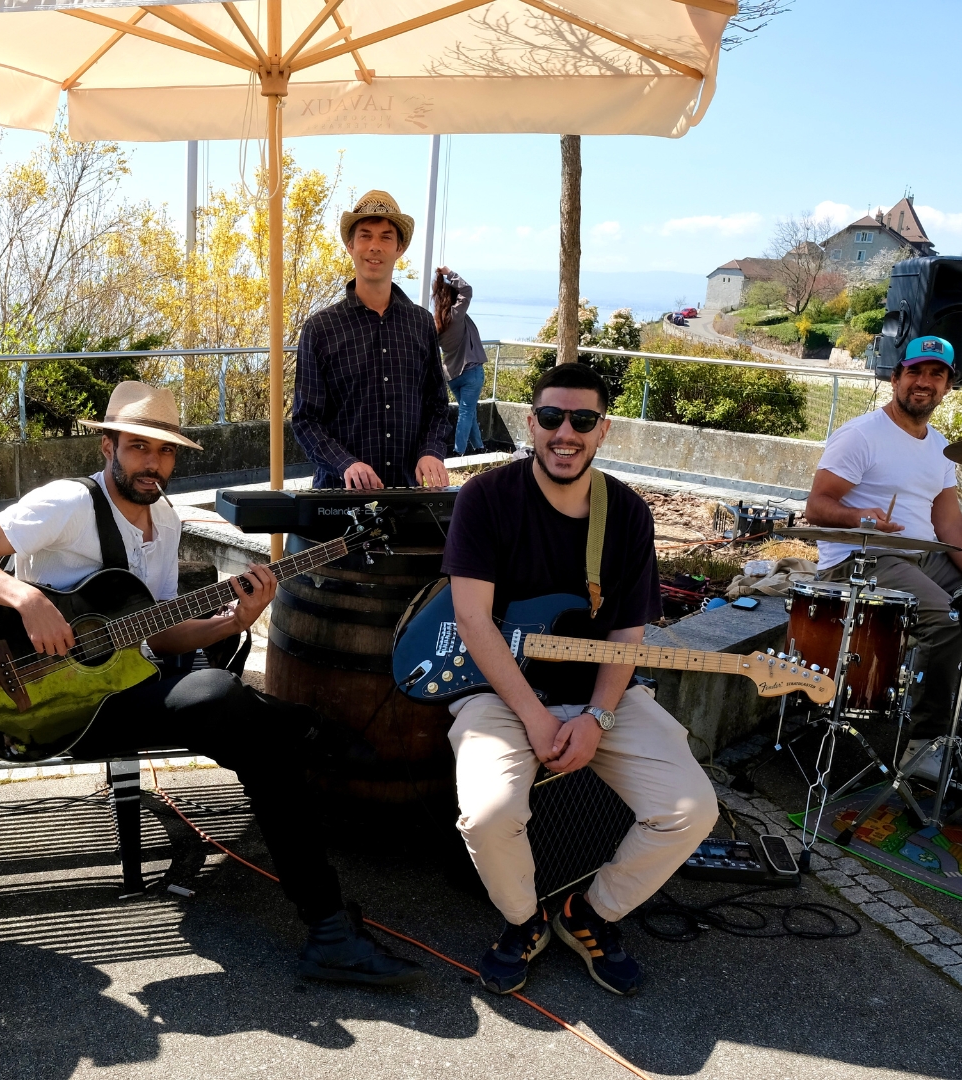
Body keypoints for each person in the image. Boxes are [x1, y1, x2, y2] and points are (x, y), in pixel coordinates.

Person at [0, 380, 422, 986]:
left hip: (120, 691)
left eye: (164, 452)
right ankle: (312, 760)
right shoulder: (67, 504)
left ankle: (329, 927)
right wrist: (24, 598)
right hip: (40, 706)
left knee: (247, 730)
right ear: (108, 447)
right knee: (229, 705)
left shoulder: (165, 519)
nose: (152, 464)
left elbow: (152, 634)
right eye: (137, 448)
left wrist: (236, 619)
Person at [441, 362, 715, 998]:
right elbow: (473, 622)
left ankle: (589, 915)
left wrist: (598, 718)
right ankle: (524, 920)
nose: (566, 433)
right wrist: (537, 718)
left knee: (691, 810)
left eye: (583, 421)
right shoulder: (486, 498)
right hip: (501, 692)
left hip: (599, 695)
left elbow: (626, 635)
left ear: (603, 430)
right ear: (531, 423)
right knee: (487, 816)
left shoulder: (625, 514)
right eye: (552, 418)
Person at [804, 336, 962, 738]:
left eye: (936, 374)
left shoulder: (941, 447)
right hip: (862, 558)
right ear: (895, 377)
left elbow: (951, 525)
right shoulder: (863, 434)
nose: (924, 382)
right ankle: (927, 741)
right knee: (948, 620)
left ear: (948, 386)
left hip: (919, 557)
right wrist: (857, 517)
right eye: (914, 371)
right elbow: (816, 506)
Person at [292, 189, 453, 490]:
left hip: (409, 498)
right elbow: (305, 421)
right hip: (338, 502)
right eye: (365, 236)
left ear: (400, 248)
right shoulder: (320, 328)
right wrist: (346, 464)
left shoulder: (420, 323)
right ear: (350, 246)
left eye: (385, 237)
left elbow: (437, 406)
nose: (374, 246)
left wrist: (432, 451)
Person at [434, 267, 489, 456]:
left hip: (452, 375)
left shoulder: (438, 323)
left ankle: (480, 447)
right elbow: (467, 290)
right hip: (470, 371)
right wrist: (449, 273)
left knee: (469, 411)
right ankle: (459, 452)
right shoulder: (457, 315)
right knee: (466, 413)